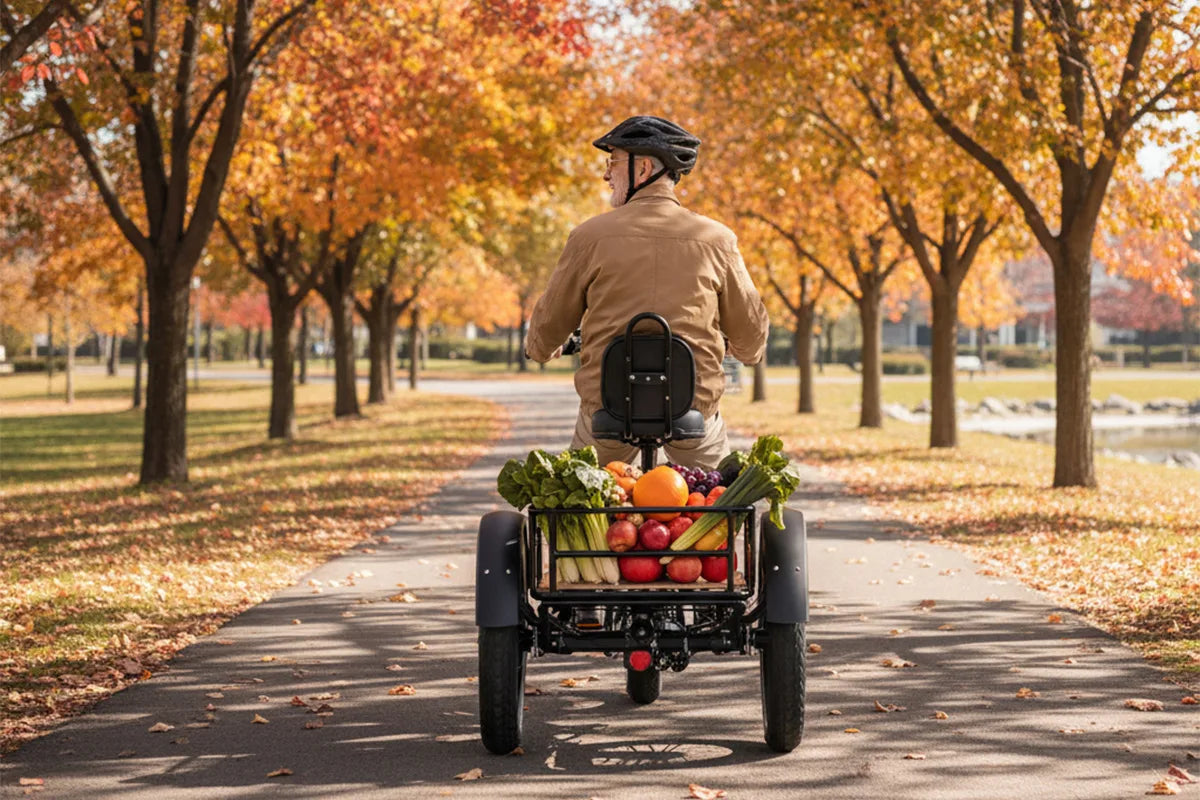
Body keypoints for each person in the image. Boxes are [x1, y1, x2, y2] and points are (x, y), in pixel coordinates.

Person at [525, 115, 769, 470]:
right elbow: (752, 335)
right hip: (691, 414)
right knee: (717, 502)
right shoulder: (718, 241)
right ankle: (707, 522)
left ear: (641, 169)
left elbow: (547, 330)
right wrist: (740, 347)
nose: (606, 175)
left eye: (612, 163)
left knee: (580, 498)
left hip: (607, 416)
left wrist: (541, 348)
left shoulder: (588, 238)